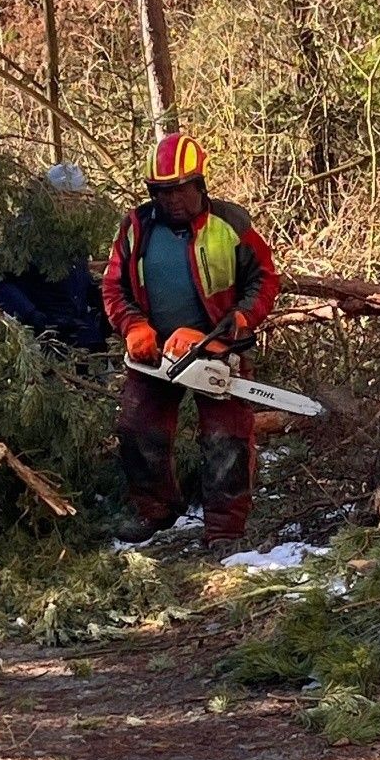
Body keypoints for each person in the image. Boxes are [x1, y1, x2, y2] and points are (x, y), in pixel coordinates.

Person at [102, 132, 280, 546]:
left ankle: (225, 529)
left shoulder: (230, 224)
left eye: (180, 189)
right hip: (154, 350)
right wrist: (132, 325)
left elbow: (264, 278)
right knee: (137, 428)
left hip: (217, 346)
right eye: (162, 192)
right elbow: (113, 286)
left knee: (226, 439)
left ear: (199, 184)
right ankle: (155, 510)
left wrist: (238, 320)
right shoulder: (136, 228)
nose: (172, 200)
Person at [0, 164, 108, 351]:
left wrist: (101, 300)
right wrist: (31, 315)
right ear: (51, 196)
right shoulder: (26, 233)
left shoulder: (74, 233)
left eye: (80, 198)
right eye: (69, 197)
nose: (76, 205)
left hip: (81, 335)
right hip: (46, 340)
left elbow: (76, 282)